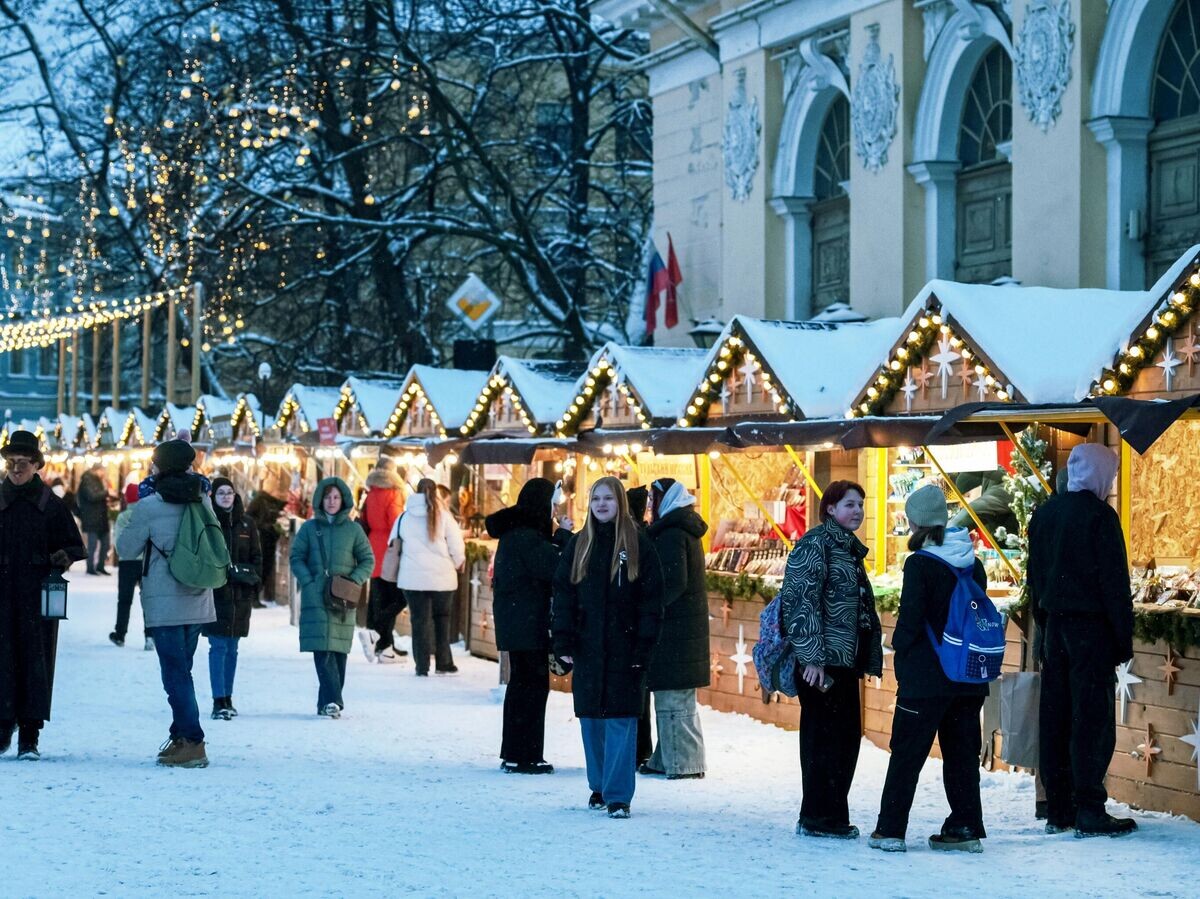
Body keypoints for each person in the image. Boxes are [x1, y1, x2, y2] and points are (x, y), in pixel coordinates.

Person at [869, 485, 988, 854]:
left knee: (907, 752)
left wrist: (898, 649)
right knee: (962, 755)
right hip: (967, 676)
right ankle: (965, 827)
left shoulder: (921, 563)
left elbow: (912, 619)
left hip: (926, 676)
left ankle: (891, 830)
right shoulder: (973, 561)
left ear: (915, 520)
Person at [1028, 444, 1136, 838]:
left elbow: (1034, 578)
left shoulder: (1046, 514)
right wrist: (1122, 640)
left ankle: (1058, 806)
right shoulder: (1100, 517)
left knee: (1056, 715)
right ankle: (1089, 806)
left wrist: (1045, 624)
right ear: (1100, 474)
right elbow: (1114, 584)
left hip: (1054, 627)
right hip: (1091, 632)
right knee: (1090, 719)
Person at [552, 477, 664, 819]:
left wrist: (643, 645)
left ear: (620, 503)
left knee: (620, 719)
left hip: (624, 647)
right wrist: (563, 639)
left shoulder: (638, 544)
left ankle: (618, 795)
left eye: (608, 499)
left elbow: (651, 600)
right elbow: (564, 594)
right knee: (591, 720)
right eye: (596, 498)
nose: (602, 504)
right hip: (587, 646)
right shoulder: (578, 544)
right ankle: (598, 785)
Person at [780, 479, 882, 838]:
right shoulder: (816, 545)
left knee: (845, 738)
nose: (857, 511)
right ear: (830, 509)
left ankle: (832, 815)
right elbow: (800, 602)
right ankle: (818, 817)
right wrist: (811, 657)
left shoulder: (847, 549)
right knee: (824, 739)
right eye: (850, 504)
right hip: (821, 663)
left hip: (844, 660)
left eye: (860, 505)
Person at [115, 439, 216, 768]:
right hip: (199, 594)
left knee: (174, 673)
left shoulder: (149, 505)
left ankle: (193, 742)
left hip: (164, 601)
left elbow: (126, 549)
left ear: (159, 467)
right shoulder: (203, 499)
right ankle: (181, 736)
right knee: (182, 670)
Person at [0, 431, 86, 760]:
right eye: (11, 463)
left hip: (37, 594)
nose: (16, 469)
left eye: (23, 462)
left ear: (37, 465)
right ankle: (3, 724)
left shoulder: (50, 504)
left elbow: (75, 545)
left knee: (36, 661)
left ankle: (30, 734)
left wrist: (61, 556)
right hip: (2, 593)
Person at [487, 478, 573, 774]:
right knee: (531, 688)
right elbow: (555, 568)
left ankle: (515, 752)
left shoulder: (518, 533)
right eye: (552, 505)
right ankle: (526, 755)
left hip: (519, 621)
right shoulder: (526, 536)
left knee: (522, 686)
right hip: (527, 624)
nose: (554, 511)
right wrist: (563, 536)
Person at [640, 478, 709, 780]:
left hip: (675, 633)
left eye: (654, 500)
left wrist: (650, 604)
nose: (651, 506)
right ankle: (665, 757)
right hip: (682, 632)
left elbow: (672, 582)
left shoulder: (671, 534)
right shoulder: (680, 529)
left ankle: (684, 763)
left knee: (673, 700)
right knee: (675, 698)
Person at [289, 478, 373, 717]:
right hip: (316, 595)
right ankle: (334, 699)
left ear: (344, 499)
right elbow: (296, 557)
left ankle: (325, 702)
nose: (332, 501)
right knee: (322, 648)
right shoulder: (309, 528)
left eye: (336, 497)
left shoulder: (353, 530)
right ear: (320, 500)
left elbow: (368, 559)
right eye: (328, 497)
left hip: (343, 596)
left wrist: (354, 580)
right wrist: (309, 581)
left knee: (338, 650)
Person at [202, 478, 263, 721]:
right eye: (221, 493)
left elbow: (258, 558)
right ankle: (219, 700)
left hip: (240, 595)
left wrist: (247, 577)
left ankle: (228, 696)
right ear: (213, 497)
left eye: (229, 492)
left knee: (233, 647)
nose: (226, 497)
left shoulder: (247, 524)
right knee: (218, 646)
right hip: (216, 594)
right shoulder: (209, 523)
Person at [394, 478, 466, 677]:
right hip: (442, 577)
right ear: (435, 493)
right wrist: (458, 561)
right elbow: (457, 546)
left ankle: (422, 666)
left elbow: (394, 542)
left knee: (419, 622)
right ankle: (443, 663)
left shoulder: (404, 517)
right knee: (442, 620)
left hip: (412, 579)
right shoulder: (444, 516)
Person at [360, 457, 408, 662]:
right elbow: (396, 521)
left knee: (379, 598)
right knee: (397, 598)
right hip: (389, 548)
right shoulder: (394, 493)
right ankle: (379, 635)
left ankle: (384, 643)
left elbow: (365, 520)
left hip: (373, 545)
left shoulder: (370, 493)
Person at [625, 485, 654, 768]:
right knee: (638, 695)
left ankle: (638, 749)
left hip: (631, 628)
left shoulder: (634, 536)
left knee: (636, 695)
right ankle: (639, 748)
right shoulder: (641, 535)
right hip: (633, 627)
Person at [111, 483, 153, 650]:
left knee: (124, 600)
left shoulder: (122, 517)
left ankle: (120, 634)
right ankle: (149, 636)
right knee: (148, 600)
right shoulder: (147, 516)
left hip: (127, 562)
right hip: (145, 562)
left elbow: (118, 542)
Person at [246, 490, 285, 604]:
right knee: (260, 567)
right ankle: (254, 597)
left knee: (267, 568)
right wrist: (262, 526)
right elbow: (249, 516)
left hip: (271, 538)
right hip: (261, 538)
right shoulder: (260, 499)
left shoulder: (277, 502)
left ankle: (256, 596)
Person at [77, 461, 112, 575]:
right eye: (102, 471)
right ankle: (90, 567)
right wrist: (106, 492)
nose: (103, 473)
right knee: (92, 545)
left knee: (105, 543)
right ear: (96, 470)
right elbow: (91, 496)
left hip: (100, 517)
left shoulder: (97, 480)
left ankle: (100, 566)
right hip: (91, 517)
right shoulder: (87, 480)